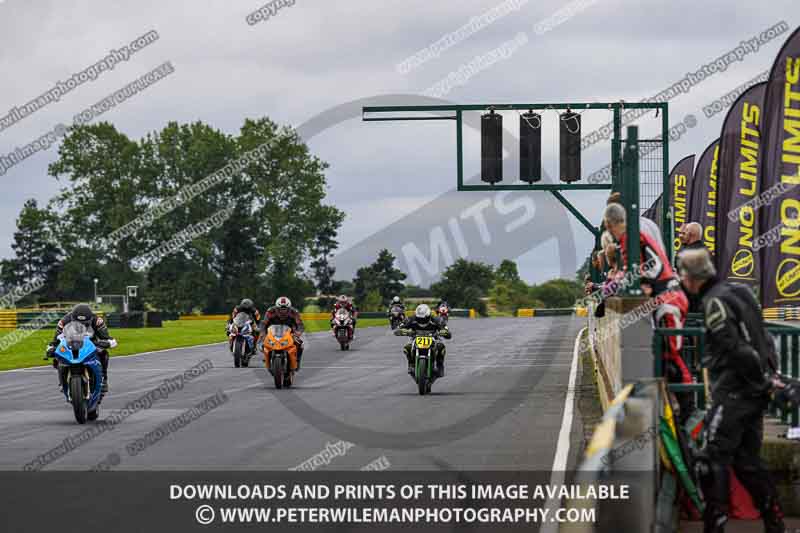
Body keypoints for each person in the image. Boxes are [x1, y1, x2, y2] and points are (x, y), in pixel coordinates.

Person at [678, 248, 787, 533]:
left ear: (691, 278)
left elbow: (738, 350)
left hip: (734, 392)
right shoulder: (740, 291)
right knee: (746, 463)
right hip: (754, 393)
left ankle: (716, 525)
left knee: (710, 459)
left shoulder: (714, 302)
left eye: (682, 275)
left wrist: (759, 382)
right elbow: (763, 338)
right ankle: (775, 523)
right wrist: (767, 380)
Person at [604, 203, 695, 424]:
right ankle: (678, 409)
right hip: (668, 296)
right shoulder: (636, 235)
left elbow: (648, 268)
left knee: (671, 353)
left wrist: (641, 282)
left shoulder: (630, 238)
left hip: (668, 299)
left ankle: (688, 408)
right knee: (665, 354)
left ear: (609, 224)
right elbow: (636, 271)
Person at [46, 304, 117, 392]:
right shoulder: (64, 321)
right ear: (72, 319)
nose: (81, 325)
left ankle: (103, 378)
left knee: (104, 353)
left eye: (85, 324)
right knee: (58, 355)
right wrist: (50, 348)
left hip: (92, 344)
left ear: (90, 319)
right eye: (78, 323)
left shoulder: (97, 321)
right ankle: (62, 381)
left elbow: (107, 338)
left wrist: (107, 343)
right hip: (71, 343)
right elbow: (55, 341)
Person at [397, 304, 451, 377]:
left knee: (441, 346)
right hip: (415, 338)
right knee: (407, 347)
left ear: (428, 316)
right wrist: (402, 331)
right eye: (419, 318)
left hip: (433, 338)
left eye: (424, 319)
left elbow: (446, 329)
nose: (422, 321)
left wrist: (445, 332)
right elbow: (400, 326)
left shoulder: (436, 319)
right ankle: (411, 364)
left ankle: (440, 365)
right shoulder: (411, 319)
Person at [263, 296, 305, 369]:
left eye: (285, 309)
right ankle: (267, 358)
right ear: (276, 308)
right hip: (273, 332)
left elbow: (300, 324)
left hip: (290, 332)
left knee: (299, 344)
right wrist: (263, 333)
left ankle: (297, 361)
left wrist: (298, 332)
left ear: (289, 308)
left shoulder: (294, 312)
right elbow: (264, 323)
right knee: (263, 343)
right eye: (281, 309)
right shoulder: (270, 311)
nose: (283, 311)